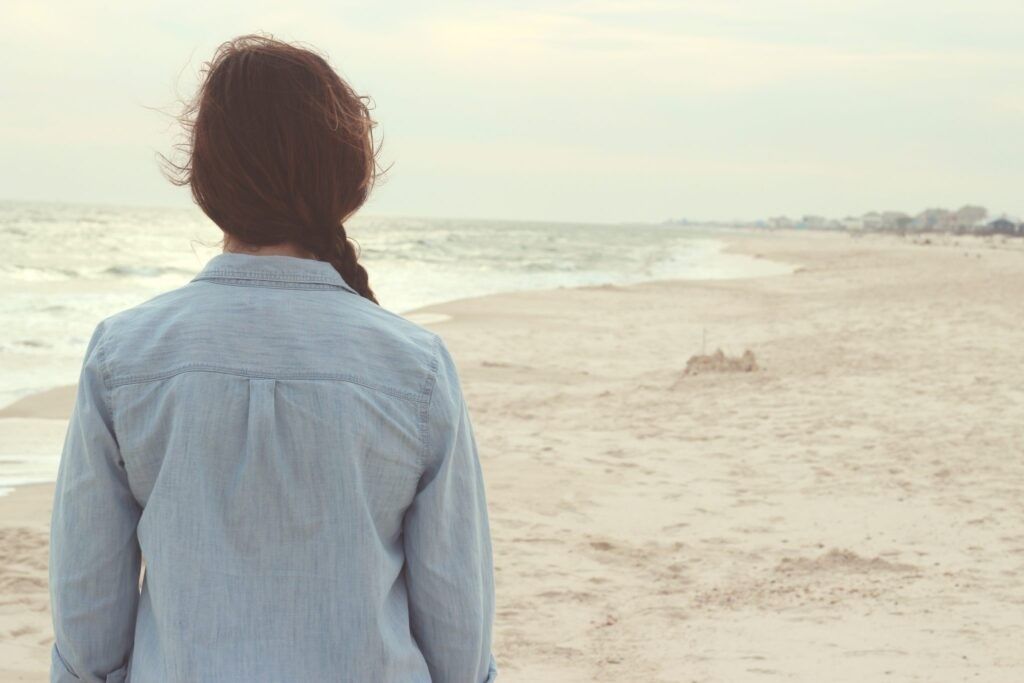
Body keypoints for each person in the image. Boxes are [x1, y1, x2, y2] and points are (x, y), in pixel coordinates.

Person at [48, 34, 497, 682]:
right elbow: (459, 636)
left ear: (206, 177)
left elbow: (87, 627)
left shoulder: (124, 357)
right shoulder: (415, 368)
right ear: (346, 175)